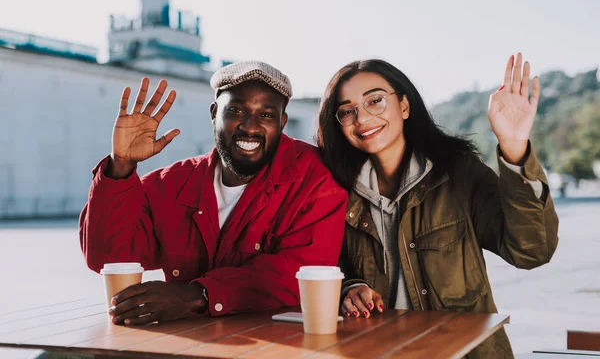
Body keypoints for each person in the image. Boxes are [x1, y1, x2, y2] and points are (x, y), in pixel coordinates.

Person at [316, 53, 559, 358]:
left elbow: (532, 251)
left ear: (404, 106)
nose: (362, 117)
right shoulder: (332, 190)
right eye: (347, 111)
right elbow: (324, 267)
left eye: (374, 101)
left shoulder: (458, 172)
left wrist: (514, 149)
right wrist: (348, 289)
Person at [79, 61, 347, 325]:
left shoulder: (314, 179)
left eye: (266, 115)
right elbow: (107, 258)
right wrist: (121, 165)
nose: (250, 127)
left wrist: (196, 296)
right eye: (236, 110)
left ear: (282, 121)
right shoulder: (170, 184)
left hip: (278, 346)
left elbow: (302, 272)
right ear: (214, 113)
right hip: (187, 343)